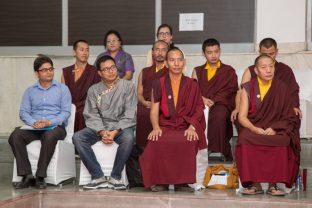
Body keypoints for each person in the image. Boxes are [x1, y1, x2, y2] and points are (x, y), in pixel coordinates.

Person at [140, 47, 207, 192]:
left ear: (184, 62)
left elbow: (198, 108)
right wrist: (156, 127)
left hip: (185, 126)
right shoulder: (158, 83)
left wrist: (191, 127)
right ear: (166, 63)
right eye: (172, 60)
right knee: (155, 140)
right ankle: (160, 181)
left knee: (190, 139)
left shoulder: (192, 84)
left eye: (179, 60)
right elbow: (154, 110)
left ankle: (182, 182)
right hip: (165, 126)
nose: (176, 63)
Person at [236, 55, 299, 196]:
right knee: (244, 137)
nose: (268, 70)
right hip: (255, 128)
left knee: (282, 139)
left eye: (271, 66)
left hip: (275, 129)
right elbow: (242, 116)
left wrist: (275, 129)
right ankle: (255, 184)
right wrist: (254, 129)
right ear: (256, 71)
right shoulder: (248, 87)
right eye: (264, 67)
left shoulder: (281, 87)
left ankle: (273, 184)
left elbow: (289, 116)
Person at [73, 55, 136, 190]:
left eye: (112, 67)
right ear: (100, 73)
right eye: (106, 69)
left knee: (129, 137)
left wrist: (114, 132)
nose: (111, 71)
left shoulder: (128, 86)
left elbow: (130, 114)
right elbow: (91, 114)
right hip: (99, 127)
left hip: (121, 127)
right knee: (78, 137)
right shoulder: (94, 90)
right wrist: (102, 131)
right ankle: (97, 176)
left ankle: (115, 177)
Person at [9, 55, 72, 189]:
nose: (49, 72)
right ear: (37, 73)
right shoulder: (29, 91)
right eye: (44, 70)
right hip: (34, 128)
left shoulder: (62, 89)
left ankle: (40, 176)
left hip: (56, 127)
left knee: (48, 136)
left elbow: (66, 112)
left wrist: (50, 122)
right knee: (15, 135)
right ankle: (26, 175)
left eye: (51, 69)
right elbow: (24, 112)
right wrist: (33, 123)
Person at [231, 37, 301, 123]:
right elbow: (241, 92)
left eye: (271, 53)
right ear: (260, 52)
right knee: (239, 116)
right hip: (256, 112)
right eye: (264, 54)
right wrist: (237, 108)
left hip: (278, 111)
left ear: (276, 52)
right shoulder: (251, 70)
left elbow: (293, 90)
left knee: (294, 116)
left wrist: (295, 106)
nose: (268, 57)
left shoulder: (285, 70)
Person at [192, 38, 238, 160]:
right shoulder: (197, 71)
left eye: (216, 51)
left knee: (219, 115)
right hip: (201, 105)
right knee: (196, 116)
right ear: (204, 53)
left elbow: (231, 90)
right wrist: (201, 99)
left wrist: (214, 100)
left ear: (220, 51)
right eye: (209, 52)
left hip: (221, 105)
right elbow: (192, 90)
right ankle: (199, 154)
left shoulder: (228, 71)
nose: (213, 55)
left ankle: (217, 153)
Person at [61, 39, 101, 132]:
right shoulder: (66, 72)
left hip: (86, 107)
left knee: (81, 112)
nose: (85, 53)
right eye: (82, 49)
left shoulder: (94, 71)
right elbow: (63, 96)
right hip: (70, 106)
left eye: (87, 50)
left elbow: (97, 95)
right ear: (74, 52)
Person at [136, 40, 169, 148]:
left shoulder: (172, 72)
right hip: (145, 104)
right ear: (153, 52)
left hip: (163, 105)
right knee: (141, 114)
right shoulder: (144, 71)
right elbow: (139, 93)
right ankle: (142, 148)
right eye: (157, 50)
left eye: (163, 50)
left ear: (168, 52)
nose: (160, 53)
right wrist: (144, 102)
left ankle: (158, 148)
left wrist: (157, 105)